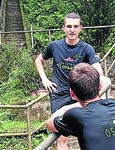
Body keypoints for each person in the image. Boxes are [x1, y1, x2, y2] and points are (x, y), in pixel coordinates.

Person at [35, 12, 107, 149]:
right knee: (62, 138)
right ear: (63, 28)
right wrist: (44, 79)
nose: (72, 30)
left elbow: (98, 69)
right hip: (59, 95)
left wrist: (100, 81)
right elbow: (39, 60)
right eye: (69, 26)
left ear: (81, 28)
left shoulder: (86, 49)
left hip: (80, 95)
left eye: (75, 26)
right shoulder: (54, 46)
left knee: (88, 133)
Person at [46, 63, 115, 150]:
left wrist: (74, 105)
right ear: (100, 87)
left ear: (72, 94)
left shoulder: (78, 116)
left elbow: (50, 123)